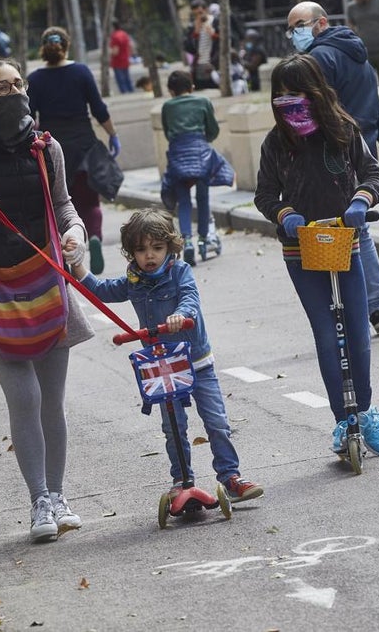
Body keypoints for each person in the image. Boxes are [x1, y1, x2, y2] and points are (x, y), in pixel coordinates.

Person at [0, 57, 94, 543]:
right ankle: (38, 503)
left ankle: (59, 496)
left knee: (52, 402)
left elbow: (66, 203)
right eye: (2, 89)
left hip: (48, 284)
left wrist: (74, 234)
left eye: (18, 85)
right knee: (24, 400)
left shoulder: (47, 148)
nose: (14, 94)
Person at [69, 209, 264, 504]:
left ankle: (230, 476)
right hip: (162, 367)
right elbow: (101, 290)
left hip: (197, 362)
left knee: (216, 422)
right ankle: (181, 481)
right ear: (132, 252)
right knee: (173, 428)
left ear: (169, 247)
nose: (149, 256)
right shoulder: (134, 281)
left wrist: (180, 315)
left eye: (157, 248)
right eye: (141, 249)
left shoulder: (180, 272)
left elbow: (190, 298)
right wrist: (77, 264)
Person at [253, 53, 379, 458]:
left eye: (296, 93)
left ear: (315, 94)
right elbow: (264, 194)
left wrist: (361, 202)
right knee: (327, 336)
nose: (288, 101)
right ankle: (342, 419)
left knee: (358, 332)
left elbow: (373, 174)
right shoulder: (276, 144)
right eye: (280, 95)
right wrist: (286, 214)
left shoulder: (343, 131)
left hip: (346, 242)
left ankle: (364, 411)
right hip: (301, 249)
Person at [285, 0, 379, 334]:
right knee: (358, 231)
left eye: (299, 25)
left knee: (342, 231)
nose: (293, 34)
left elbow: (305, 116)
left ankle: (359, 309)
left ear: (321, 22)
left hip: (331, 158)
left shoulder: (315, 60)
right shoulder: (360, 60)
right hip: (362, 156)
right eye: (290, 29)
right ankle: (376, 307)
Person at [27, 26, 120, 275]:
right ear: (66, 46)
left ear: (43, 48)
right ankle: (95, 238)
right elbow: (98, 109)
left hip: (52, 150)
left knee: (61, 205)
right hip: (84, 147)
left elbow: (29, 117)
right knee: (90, 202)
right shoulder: (80, 72)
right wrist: (112, 134)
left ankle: (68, 256)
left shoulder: (35, 79)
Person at [161, 69, 225, 264]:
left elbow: (167, 132)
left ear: (171, 91)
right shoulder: (203, 102)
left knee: (183, 200)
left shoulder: (167, 106)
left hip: (178, 154)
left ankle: (187, 241)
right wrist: (203, 140)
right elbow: (213, 129)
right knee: (203, 198)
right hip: (200, 152)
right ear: (192, 86)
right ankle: (204, 240)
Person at [183, 0, 219, 90]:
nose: (198, 16)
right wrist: (195, 33)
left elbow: (226, 41)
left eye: (200, 13)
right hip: (199, 66)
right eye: (195, 14)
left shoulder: (215, 22)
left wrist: (213, 34)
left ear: (205, 10)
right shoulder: (192, 26)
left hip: (215, 64)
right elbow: (189, 48)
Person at [108, 20, 134, 94]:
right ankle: (131, 92)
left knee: (121, 80)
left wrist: (109, 54)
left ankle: (125, 94)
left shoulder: (115, 36)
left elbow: (116, 51)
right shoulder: (124, 34)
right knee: (127, 79)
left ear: (113, 27)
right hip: (125, 59)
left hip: (117, 61)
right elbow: (131, 46)